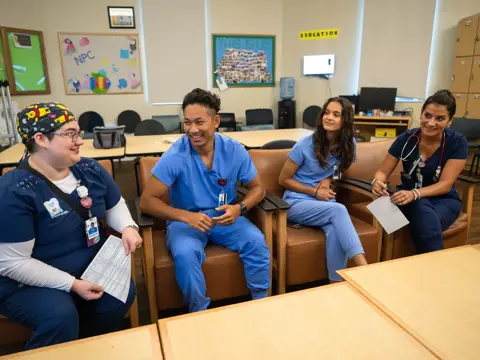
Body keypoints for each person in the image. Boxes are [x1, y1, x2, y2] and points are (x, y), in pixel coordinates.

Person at [0, 102, 143, 350]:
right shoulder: (14, 191)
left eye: (79, 133)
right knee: (60, 316)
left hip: (89, 266)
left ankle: (84, 348)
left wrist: (129, 227)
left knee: (120, 295)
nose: (79, 141)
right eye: (69, 134)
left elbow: (114, 204)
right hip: (29, 282)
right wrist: (72, 284)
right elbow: (13, 262)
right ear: (41, 139)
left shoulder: (89, 169)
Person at [140, 88, 270, 312]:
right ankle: (199, 313)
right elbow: (147, 201)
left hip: (225, 219)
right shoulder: (175, 155)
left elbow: (258, 188)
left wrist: (240, 207)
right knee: (186, 255)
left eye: (199, 122)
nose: (192, 130)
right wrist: (186, 216)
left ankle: (261, 304)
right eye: (187, 122)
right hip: (185, 221)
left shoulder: (234, 150)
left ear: (216, 121)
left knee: (256, 242)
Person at [279, 97, 367, 283]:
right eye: (327, 112)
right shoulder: (304, 145)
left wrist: (327, 180)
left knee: (335, 231)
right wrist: (314, 192)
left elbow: (339, 170)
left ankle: (335, 284)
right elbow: (283, 179)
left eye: (336, 114)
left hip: (323, 203)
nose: (329, 117)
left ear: (346, 120)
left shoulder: (348, 144)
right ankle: (365, 270)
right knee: (340, 210)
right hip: (296, 202)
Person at [372, 90, 468, 253]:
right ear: (421, 114)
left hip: (442, 201)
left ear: (450, 121)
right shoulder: (407, 139)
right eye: (427, 115)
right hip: (407, 198)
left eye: (440, 118)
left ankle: (431, 265)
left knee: (421, 211)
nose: (431, 123)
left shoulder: (457, 142)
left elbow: (445, 185)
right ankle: (393, 260)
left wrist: (414, 194)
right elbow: (382, 171)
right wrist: (377, 182)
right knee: (381, 208)